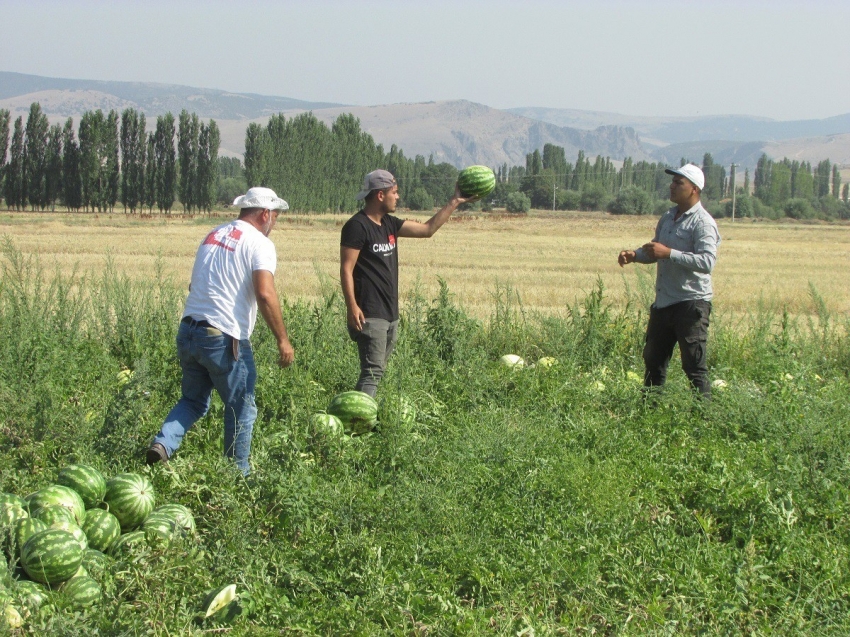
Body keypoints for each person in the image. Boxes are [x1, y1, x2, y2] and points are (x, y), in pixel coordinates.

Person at [146, 187, 295, 475]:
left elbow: (194, 286)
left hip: (189, 329)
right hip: (223, 337)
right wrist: (283, 339)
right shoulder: (259, 243)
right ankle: (236, 476)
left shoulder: (213, 235)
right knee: (242, 408)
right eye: (275, 216)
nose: (274, 223)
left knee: (192, 400)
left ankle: (163, 444)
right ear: (265, 214)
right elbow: (265, 293)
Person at [340, 169, 475, 397]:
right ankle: (356, 421)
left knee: (377, 371)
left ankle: (360, 415)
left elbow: (427, 230)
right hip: (369, 313)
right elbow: (346, 268)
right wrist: (352, 306)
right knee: (372, 372)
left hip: (390, 313)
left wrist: (455, 202)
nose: (398, 197)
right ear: (380, 195)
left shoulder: (390, 224)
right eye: (395, 192)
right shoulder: (357, 226)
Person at [618, 163, 720, 399]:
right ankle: (649, 416)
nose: (672, 186)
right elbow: (656, 250)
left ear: (694, 189)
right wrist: (634, 255)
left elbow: (707, 262)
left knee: (694, 368)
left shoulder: (703, 223)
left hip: (691, 304)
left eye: (678, 183)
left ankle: (703, 420)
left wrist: (669, 254)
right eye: (673, 182)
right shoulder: (668, 217)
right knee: (654, 363)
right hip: (664, 303)